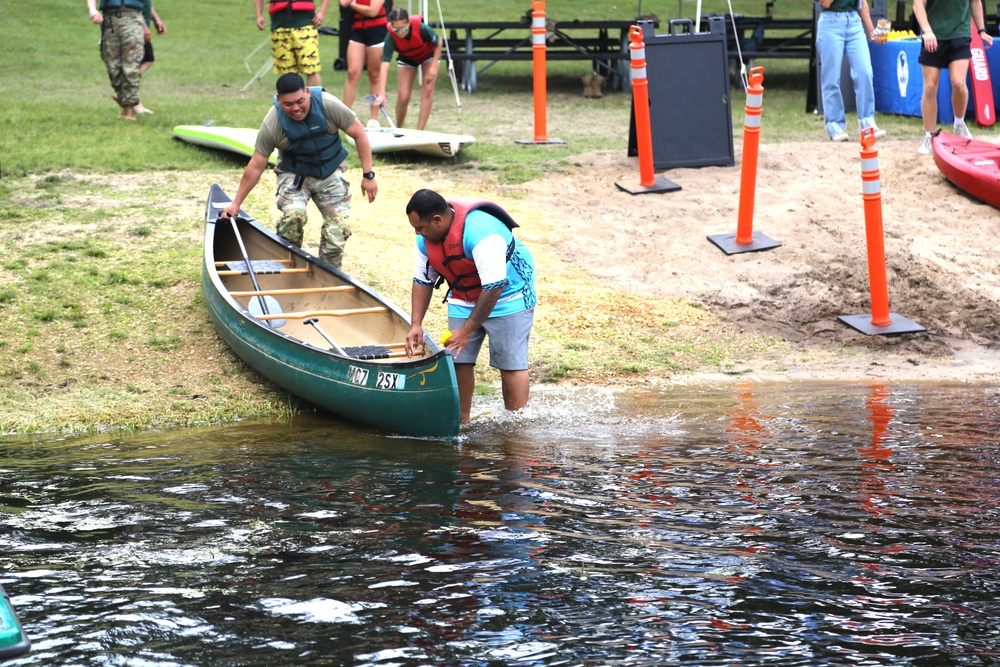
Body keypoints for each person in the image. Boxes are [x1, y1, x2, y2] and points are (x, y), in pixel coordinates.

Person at [404, 189, 537, 424]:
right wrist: (416, 324)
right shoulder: (425, 239)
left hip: (509, 295)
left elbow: (495, 286)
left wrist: (467, 332)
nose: (417, 233)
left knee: (510, 363)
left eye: (420, 228)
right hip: (464, 294)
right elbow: (421, 280)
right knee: (458, 358)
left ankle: (516, 426)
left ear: (437, 220)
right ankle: (461, 422)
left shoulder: (482, 233)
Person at [221, 73, 378, 270]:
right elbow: (256, 165)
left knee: (339, 228)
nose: (295, 108)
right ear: (279, 100)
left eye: (300, 101)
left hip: (329, 173)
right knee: (293, 216)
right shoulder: (273, 123)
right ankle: (286, 264)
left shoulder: (328, 105)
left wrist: (368, 175)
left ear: (307, 92)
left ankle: (328, 274)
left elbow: (359, 133)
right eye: (288, 104)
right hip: (295, 175)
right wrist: (236, 204)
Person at [913, 0, 993, 154]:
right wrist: (927, 31)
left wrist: (981, 30)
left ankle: (959, 123)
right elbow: (918, 5)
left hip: (960, 33)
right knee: (930, 87)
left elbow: (975, 2)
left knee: (958, 83)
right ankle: (930, 136)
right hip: (933, 35)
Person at [816, 0, 887, 142]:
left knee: (865, 72)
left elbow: (862, 3)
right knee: (831, 78)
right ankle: (835, 126)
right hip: (830, 23)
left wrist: (872, 31)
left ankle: (868, 123)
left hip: (854, 22)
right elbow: (825, 3)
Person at [373, 8, 443, 130]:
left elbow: (439, 42)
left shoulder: (421, 28)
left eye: (403, 29)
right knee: (403, 96)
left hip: (428, 55)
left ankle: (420, 131)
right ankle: (399, 128)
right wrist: (382, 93)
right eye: (396, 30)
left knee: (427, 90)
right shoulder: (391, 37)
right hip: (408, 57)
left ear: (409, 24)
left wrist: (434, 67)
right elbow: (384, 66)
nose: (400, 33)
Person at [87, 0, 147, 121]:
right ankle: (125, 104)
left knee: (131, 66)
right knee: (112, 65)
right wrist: (92, 10)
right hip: (109, 20)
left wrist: (148, 25)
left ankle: (130, 109)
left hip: (132, 19)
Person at [254, 0, 329, 87]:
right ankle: (292, 100)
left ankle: (314, 99)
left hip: (305, 25)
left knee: (311, 68)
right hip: (279, 26)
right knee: (287, 73)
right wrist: (259, 15)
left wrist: (322, 12)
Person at [340, 0, 388, 121]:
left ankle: (373, 118)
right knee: (352, 73)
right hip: (357, 30)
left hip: (377, 31)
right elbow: (343, 2)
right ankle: (344, 116)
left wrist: (354, 5)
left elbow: (372, 11)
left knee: (374, 75)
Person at [134, 0, 165, 114]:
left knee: (147, 60)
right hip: (135, 29)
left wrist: (156, 19)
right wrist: (144, 27)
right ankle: (132, 98)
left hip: (139, 27)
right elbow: (134, 7)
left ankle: (127, 91)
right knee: (137, 64)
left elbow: (146, 3)